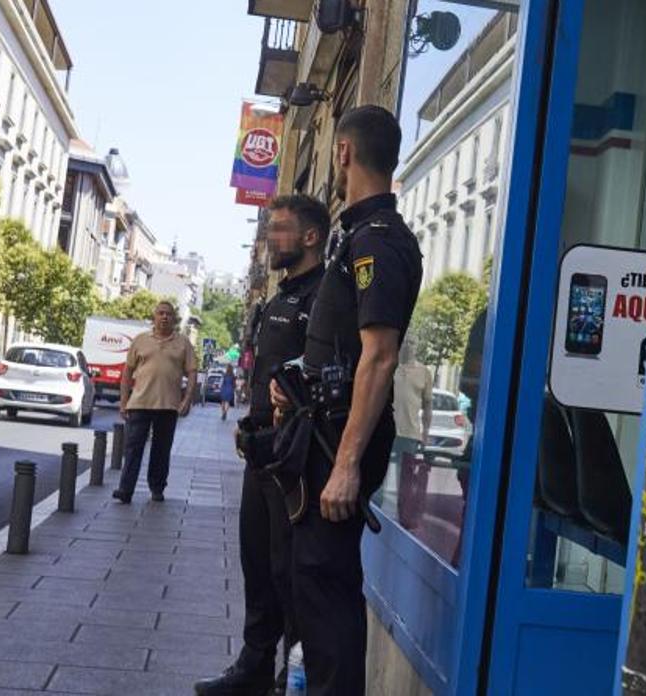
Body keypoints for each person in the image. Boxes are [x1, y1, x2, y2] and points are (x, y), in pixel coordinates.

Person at [271, 105, 422, 695]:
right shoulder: (356, 234)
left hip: (339, 445)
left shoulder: (378, 240)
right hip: (321, 436)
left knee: (325, 584)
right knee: (312, 582)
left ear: (343, 154)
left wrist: (345, 466)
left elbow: (379, 356)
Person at [196, 194, 329, 696]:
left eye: (280, 229)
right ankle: (252, 667)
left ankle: (287, 677)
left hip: (294, 459)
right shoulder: (279, 295)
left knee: (287, 570)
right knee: (257, 562)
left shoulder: (324, 296)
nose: (270, 239)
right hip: (260, 452)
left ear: (310, 236)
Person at [113, 301, 197, 504]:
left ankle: (157, 488)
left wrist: (187, 399)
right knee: (133, 448)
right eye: (160, 313)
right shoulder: (141, 340)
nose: (164, 317)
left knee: (161, 449)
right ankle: (125, 489)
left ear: (174, 319)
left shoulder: (183, 343)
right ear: (154, 317)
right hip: (140, 403)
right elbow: (127, 373)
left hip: (168, 405)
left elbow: (192, 373)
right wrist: (123, 401)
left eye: (168, 314)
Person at [392, 340, 432, 530]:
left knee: (405, 478)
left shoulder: (424, 372)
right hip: (389, 431)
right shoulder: (391, 366)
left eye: (413, 343)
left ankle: (404, 519)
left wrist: (426, 434)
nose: (409, 346)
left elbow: (428, 406)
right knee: (377, 472)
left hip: (410, 434)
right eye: (406, 342)